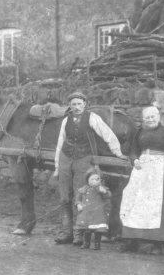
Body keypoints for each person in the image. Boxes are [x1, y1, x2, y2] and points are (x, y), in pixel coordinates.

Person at [53, 91, 126, 245]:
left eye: (79, 104)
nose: (77, 107)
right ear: (70, 106)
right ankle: (66, 233)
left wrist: (117, 152)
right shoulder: (66, 120)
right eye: (73, 104)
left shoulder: (92, 118)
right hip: (65, 158)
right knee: (64, 197)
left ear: (85, 104)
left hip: (83, 159)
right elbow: (60, 143)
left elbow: (107, 134)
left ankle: (78, 234)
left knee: (80, 196)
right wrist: (57, 166)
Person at [119, 105, 164, 254]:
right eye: (147, 117)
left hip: (159, 169)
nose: (150, 120)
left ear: (158, 117)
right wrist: (135, 160)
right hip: (141, 170)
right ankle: (134, 238)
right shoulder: (139, 133)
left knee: (156, 203)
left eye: (153, 116)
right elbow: (134, 150)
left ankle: (157, 240)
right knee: (134, 199)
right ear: (143, 120)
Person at [75, 167, 112, 251]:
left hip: (98, 213)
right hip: (87, 213)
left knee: (98, 231)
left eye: (97, 179)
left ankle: (97, 244)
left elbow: (108, 196)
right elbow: (78, 198)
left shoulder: (102, 189)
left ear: (100, 180)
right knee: (87, 229)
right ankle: (86, 243)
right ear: (87, 180)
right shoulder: (84, 189)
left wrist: (105, 192)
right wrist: (78, 204)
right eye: (92, 179)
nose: (95, 181)